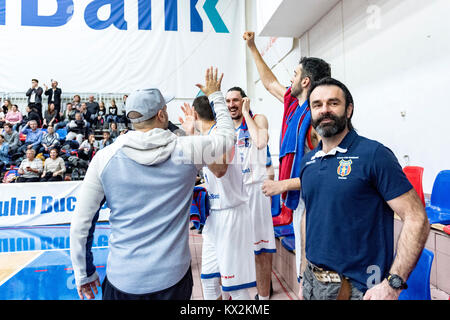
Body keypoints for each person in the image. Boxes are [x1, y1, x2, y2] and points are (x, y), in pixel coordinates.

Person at [70, 67, 236, 300]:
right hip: (172, 280)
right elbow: (227, 139)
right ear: (161, 115)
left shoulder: (104, 158)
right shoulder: (187, 149)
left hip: (122, 281)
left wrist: (84, 273)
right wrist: (216, 95)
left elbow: (81, 224)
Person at [298, 77, 430, 300]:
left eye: (333, 103)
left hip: (360, 289)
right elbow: (307, 217)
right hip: (314, 283)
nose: (325, 110)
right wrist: (303, 275)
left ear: (348, 110)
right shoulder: (308, 161)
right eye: (317, 105)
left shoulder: (374, 155)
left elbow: (417, 219)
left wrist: (393, 283)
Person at [243, 31, 331, 285]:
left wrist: (282, 184)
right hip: (297, 200)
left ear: (305, 81)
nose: (289, 79)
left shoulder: (316, 121)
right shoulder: (294, 105)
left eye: (294, 74)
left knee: (310, 266)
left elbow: (323, 173)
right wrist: (252, 47)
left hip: (313, 202)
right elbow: (270, 83)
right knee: (303, 266)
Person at [185, 94, 256, 300]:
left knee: (235, 286)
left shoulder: (221, 135)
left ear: (195, 114)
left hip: (231, 214)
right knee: (208, 280)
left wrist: (191, 138)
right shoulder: (206, 138)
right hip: (214, 217)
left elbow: (219, 170)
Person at [225, 87, 276, 300]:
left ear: (244, 100)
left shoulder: (258, 119)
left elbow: (260, 141)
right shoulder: (225, 128)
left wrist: (246, 113)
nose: (231, 105)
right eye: (227, 101)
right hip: (235, 193)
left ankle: (263, 298)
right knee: (235, 249)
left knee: (261, 251)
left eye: (235, 100)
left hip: (255, 190)